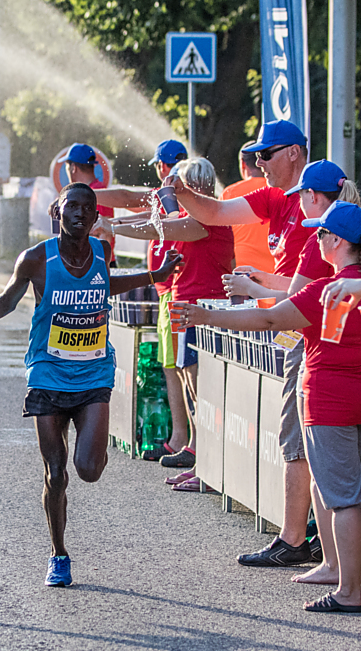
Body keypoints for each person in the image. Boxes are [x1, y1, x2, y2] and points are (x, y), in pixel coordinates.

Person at [0, 182, 180, 587]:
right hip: (47, 372)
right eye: (71, 206)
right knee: (56, 472)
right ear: (56, 213)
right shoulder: (36, 259)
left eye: (86, 209)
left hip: (92, 373)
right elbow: (4, 302)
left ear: (95, 218)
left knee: (89, 470)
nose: (78, 213)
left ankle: (79, 480)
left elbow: (106, 284)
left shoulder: (100, 253)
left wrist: (154, 275)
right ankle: (58, 553)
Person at [172, 201, 361, 613]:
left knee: (342, 496)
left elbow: (271, 320)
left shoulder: (327, 290)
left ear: (338, 241)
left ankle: (348, 591)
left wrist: (204, 315)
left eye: (322, 234)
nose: (317, 239)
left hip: (329, 397)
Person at [168, 121, 316, 568]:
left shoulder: (315, 202)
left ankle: (297, 540)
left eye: (267, 155)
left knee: (302, 435)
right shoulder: (274, 198)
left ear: (294, 153)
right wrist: (178, 189)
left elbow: (312, 287)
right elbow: (214, 212)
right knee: (298, 432)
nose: (259, 164)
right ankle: (302, 538)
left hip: (307, 330)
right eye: (257, 156)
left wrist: (254, 291)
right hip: (288, 324)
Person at [102, 157, 235, 484]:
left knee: (199, 387)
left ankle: (205, 463)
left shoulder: (208, 218)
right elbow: (150, 216)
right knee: (191, 386)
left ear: (194, 187)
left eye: (182, 186)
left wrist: (112, 226)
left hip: (200, 310)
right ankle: (196, 454)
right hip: (185, 307)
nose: (177, 192)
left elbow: (160, 227)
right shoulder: (195, 215)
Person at [95, 139, 192, 464]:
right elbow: (127, 199)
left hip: (181, 294)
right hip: (170, 292)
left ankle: (185, 441)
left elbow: (151, 226)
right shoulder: (168, 198)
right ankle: (180, 438)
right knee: (172, 368)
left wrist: (110, 223)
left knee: (182, 370)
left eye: (158, 166)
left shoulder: (177, 200)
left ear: (164, 166)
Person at [220, 142, 274, 272]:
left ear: (243, 163)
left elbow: (220, 237)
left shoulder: (229, 193)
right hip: (274, 273)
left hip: (240, 271)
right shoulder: (279, 191)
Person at [59, 143, 115, 260]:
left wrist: (96, 265)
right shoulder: (98, 190)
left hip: (93, 263)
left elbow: (105, 233)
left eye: (67, 166)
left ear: (73, 167)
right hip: (88, 262)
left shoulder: (95, 193)